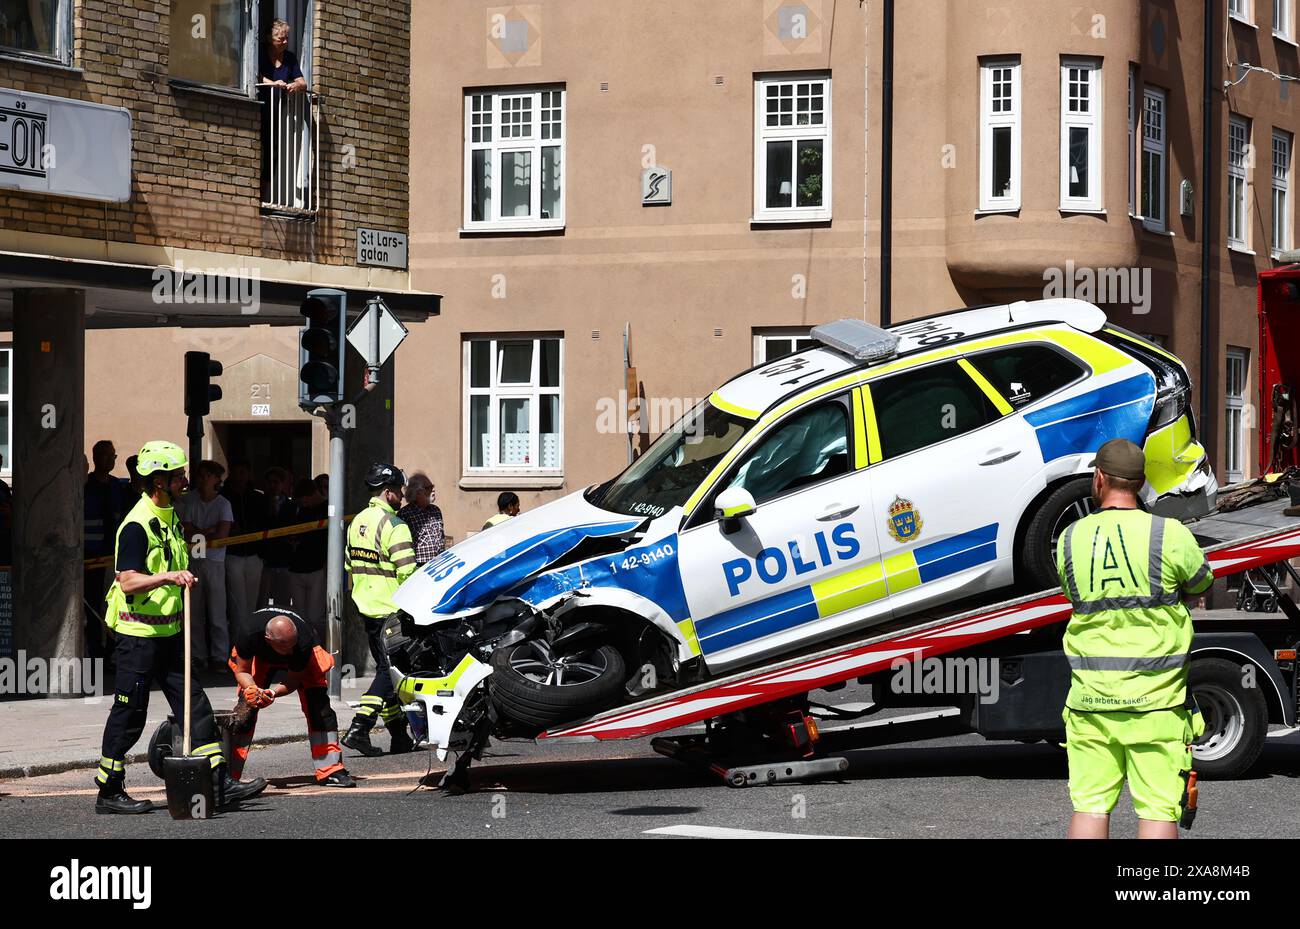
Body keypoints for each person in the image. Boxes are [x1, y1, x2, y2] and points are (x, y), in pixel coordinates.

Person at [95, 440, 266, 814]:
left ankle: (219, 784)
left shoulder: (170, 515)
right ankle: (108, 790)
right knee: (129, 714)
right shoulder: (137, 525)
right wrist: (169, 577)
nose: (185, 480)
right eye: (178, 475)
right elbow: (127, 581)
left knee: (195, 706)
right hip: (138, 636)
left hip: (169, 635)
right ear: (159, 481)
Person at [1057, 438, 1214, 840]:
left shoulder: (1070, 538)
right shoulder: (1169, 534)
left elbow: (1074, 594)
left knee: (1090, 807)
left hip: (1091, 701)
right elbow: (1202, 582)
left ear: (1099, 479)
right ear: (1142, 482)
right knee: (1159, 810)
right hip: (1157, 703)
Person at [227, 607, 355, 788]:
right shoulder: (248, 633)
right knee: (244, 712)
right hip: (260, 657)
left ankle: (331, 769)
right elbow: (242, 671)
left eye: (291, 646)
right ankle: (228, 776)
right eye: (284, 648)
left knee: (319, 708)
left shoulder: (301, 642)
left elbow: (294, 680)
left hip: (302, 656)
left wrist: (272, 693)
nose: (288, 653)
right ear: (267, 639)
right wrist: (253, 690)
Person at [341, 463, 418, 757]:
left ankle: (399, 736)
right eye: (399, 491)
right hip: (392, 610)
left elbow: (351, 565)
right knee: (390, 672)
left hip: (366, 607)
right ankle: (360, 727)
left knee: (388, 671)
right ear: (387, 492)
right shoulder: (394, 525)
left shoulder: (356, 522)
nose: (402, 496)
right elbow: (407, 572)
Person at [176, 460, 234, 672]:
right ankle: (197, 655)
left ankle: (220, 655)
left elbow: (222, 534)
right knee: (195, 611)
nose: (202, 479)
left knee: (217, 610)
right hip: (195, 560)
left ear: (216, 479)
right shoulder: (192, 503)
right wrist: (207, 531)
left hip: (215, 561)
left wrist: (205, 532)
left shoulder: (223, 504)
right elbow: (188, 531)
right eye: (200, 475)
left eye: (207, 475)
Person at [84, 440, 129, 660]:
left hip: (113, 554)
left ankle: (110, 651)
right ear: (96, 457)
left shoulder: (116, 486)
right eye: (108, 455)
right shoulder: (86, 485)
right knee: (93, 605)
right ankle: (95, 651)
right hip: (90, 556)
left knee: (111, 604)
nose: (112, 460)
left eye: (114, 456)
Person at [222, 459, 267, 640]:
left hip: (254, 555)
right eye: (236, 472)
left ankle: (251, 640)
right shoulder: (224, 497)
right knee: (236, 604)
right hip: (232, 555)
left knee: (251, 602)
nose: (239, 476)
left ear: (249, 474)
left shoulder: (257, 497)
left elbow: (265, 524)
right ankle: (238, 643)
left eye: (243, 472)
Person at [287, 478, 327, 643]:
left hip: (318, 569)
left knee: (314, 616)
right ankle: (303, 648)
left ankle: (315, 650)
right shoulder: (300, 511)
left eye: (303, 500)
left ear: (309, 495)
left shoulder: (329, 508)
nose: (303, 504)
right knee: (299, 615)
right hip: (297, 568)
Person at [258, 466, 296, 608]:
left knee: (283, 601)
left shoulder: (292, 505)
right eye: (270, 482)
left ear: (282, 484)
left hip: (285, 559)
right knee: (261, 600)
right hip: (265, 559)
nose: (273, 486)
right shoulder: (260, 502)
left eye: (276, 482)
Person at [396, 471, 446, 566]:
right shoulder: (405, 514)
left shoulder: (436, 511)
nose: (433, 490)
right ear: (418, 493)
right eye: (429, 488)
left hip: (439, 564)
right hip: (419, 567)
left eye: (433, 487)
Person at [259, 19, 307, 94]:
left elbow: (303, 83)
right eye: (281, 39)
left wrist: (297, 85)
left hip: (279, 104)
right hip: (259, 102)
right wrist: (273, 84)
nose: (285, 42)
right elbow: (254, 76)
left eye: (286, 38)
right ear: (269, 38)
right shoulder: (260, 52)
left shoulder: (289, 58)